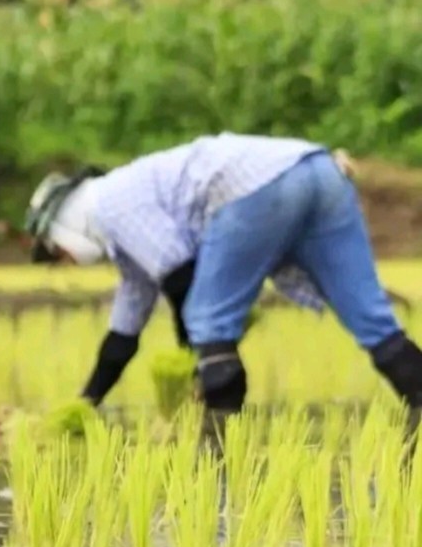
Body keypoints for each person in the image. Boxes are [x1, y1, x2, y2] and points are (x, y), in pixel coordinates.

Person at [21, 132, 422, 449]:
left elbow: (181, 277)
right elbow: (123, 334)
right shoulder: (126, 235)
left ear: (63, 226)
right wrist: (86, 402)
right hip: (319, 172)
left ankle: (218, 449)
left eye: (57, 252)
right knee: (375, 323)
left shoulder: (110, 204)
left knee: (209, 322)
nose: (64, 261)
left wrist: (196, 364)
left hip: (259, 187)